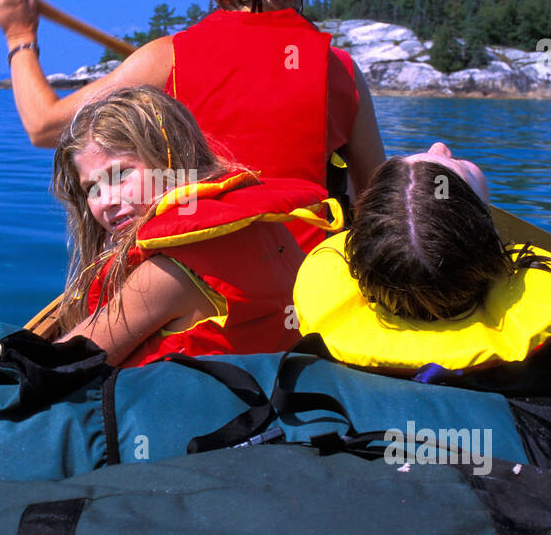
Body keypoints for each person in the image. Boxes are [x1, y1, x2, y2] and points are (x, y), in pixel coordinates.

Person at [0, 0, 384, 244]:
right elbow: (377, 199)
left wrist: (18, 35)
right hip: (300, 284)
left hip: (194, 278)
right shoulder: (340, 70)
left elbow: (43, 126)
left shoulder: (167, 58)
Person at [293, 142, 551, 472]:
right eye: (459, 167)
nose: (441, 145)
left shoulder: (324, 319)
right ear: (485, 235)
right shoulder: (540, 315)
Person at [51, 87, 340, 368]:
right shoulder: (259, 228)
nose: (107, 201)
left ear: (173, 160)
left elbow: (63, 369)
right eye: (92, 188)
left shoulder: (166, 274)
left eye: (121, 173)